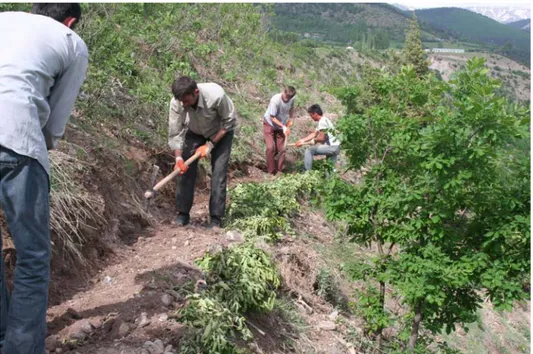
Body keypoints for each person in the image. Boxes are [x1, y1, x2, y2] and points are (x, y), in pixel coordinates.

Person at [0, 4, 88, 353]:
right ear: (70, 21)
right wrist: (40, 145)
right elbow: (54, 123)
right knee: (32, 255)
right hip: (18, 140)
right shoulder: (70, 41)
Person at [168, 76, 236, 228]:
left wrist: (210, 145)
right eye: (181, 101)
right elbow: (175, 132)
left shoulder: (216, 96)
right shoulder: (177, 103)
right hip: (194, 131)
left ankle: (216, 219)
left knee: (218, 173)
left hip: (220, 132)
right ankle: (182, 214)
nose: (183, 104)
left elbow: (229, 121)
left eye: (186, 101)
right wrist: (178, 159)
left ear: (196, 92)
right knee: (185, 169)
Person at [296, 104, 341, 171]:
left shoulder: (322, 122)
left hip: (332, 147)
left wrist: (314, 140)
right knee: (329, 169)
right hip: (336, 147)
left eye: (311, 115)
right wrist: (302, 140)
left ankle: (307, 173)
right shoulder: (324, 120)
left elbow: (321, 138)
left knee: (309, 150)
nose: (311, 117)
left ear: (315, 114)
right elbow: (314, 133)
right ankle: (329, 180)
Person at [263, 86, 296, 175]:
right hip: (270, 123)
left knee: (282, 149)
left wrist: (291, 119)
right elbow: (272, 117)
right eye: (285, 96)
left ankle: (279, 171)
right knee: (270, 148)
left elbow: (292, 108)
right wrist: (283, 126)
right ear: (283, 92)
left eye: (289, 98)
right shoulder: (275, 100)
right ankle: (271, 171)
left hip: (282, 124)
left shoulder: (292, 99)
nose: (286, 99)